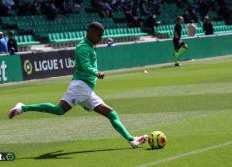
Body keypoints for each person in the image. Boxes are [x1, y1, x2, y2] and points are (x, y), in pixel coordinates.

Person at [8, 22, 148, 148]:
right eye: (99, 35)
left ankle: (131, 140)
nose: (100, 38)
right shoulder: (82, 48)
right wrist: (96, 73)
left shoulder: (89, 46)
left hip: (86, 89)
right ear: (91, 33)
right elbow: (86, 66)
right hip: (80, 87)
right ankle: (22, 108)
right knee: (59, 110)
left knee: (111, 113)